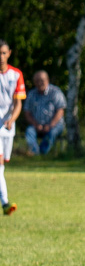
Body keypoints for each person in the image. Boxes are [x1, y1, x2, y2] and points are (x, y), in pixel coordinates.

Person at [0, 40, 25, 216]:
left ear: (9, 53)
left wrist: (12, 119)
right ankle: (5, 203)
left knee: (3, 164)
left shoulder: (16, 75)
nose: (0, 56)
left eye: (3, 53)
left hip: (7, 126)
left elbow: (18, 102)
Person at [23, 70, 66, 156]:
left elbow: (60, 111)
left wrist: (50, 125)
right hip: (37, 125)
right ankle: (35, 153)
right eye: (37, 81)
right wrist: (36, 125)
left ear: (47, 80)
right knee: (29, 131)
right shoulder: (31, 94)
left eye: (41, 80)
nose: (39, 83)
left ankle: (43, 153)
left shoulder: (55, 92)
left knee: (53, 132)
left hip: (54, 125)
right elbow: (27, 112)